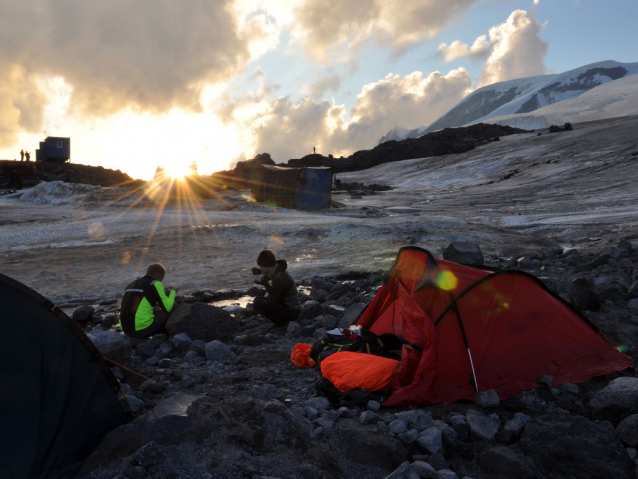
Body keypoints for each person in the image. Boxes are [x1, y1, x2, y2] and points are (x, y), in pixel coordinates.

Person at [119, 263, 176, 338]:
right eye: (161, 279)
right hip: (142, 330)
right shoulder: (155, 283)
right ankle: (167, 335)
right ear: (158, 276)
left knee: (153, 310)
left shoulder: (132, 283)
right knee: (173, 306)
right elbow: (168, 307)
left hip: (125, 329)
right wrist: (173, 292)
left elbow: (146, 293)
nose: (161, 282)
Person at [252, 250, 301, 326]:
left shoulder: (280, 277)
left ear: (266, 265)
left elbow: (277, 299)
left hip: (292, 311)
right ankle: (280, 321)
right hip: (285, 305)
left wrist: (266, 285)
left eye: (261, 266)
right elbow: (268, 278)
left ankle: (281, 323)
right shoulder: (276, 271)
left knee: (257, 304)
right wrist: (259, 275)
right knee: (258, 298)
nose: (260, 268)